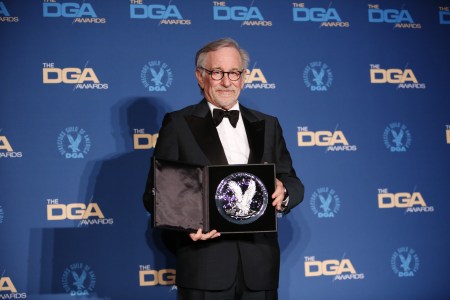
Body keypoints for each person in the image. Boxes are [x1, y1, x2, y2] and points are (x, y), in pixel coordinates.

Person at [143, 38, 304, 300]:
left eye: (234, 73)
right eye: (217, 73)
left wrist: (284, 192)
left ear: (244, 77)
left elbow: (291, 180)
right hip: (204, 267)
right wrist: (187, 226)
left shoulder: (269, 124)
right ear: (200, 76)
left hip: (260, 269)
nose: (227, 82)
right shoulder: (178, 124)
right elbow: (155, 195)